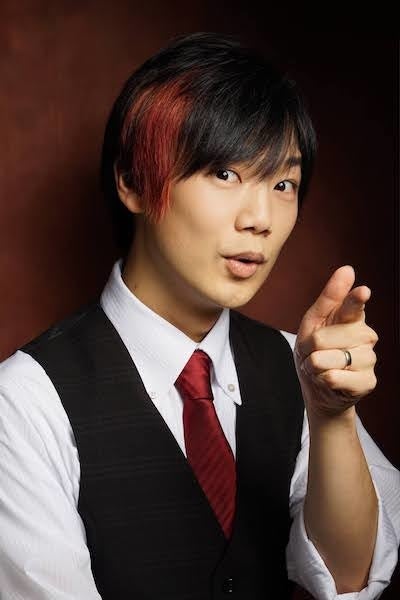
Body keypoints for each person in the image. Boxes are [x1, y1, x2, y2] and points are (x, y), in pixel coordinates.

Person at [0, 32, 398, 600]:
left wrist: (332, 418)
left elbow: (350, 578)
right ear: (133, 180)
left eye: (283, 184)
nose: (260, 218)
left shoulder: (300, 364)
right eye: (225, 174)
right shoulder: (25, 401)